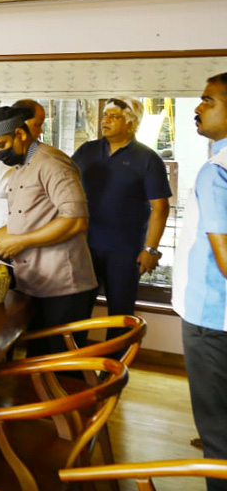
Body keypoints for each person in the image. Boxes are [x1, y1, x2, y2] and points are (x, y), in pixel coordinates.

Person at [0, 105, 97, 356]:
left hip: (64, 285)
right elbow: (21, 222)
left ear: (20, 134)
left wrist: (22, 242)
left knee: (57, 366)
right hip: (34, 282)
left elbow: (75, 221)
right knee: (36, 359)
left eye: (0, 145)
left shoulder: (52, 163)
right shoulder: (20, 167)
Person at [72, 97, 171, 335]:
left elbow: (161, 208)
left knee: (120, 313)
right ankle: (73, 369)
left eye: (114, 116)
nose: (106, 121)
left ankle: (115, 368)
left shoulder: (148, 159)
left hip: (125, 251)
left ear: (131, 123)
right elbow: (64, 183)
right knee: (77, 309)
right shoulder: (88, 150)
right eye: (105, 116)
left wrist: (150, 250)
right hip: (85, 246)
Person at [172, 72, 227, 487]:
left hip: (212, 319)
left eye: (208, 101)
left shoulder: (217, 171)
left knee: (218, 437)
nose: (197, 108)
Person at [0, 99, 46, 233]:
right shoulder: (3, 147)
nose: (41, 130)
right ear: (22, 124)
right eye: (37, 125)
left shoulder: (23, 148)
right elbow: (2, 187)